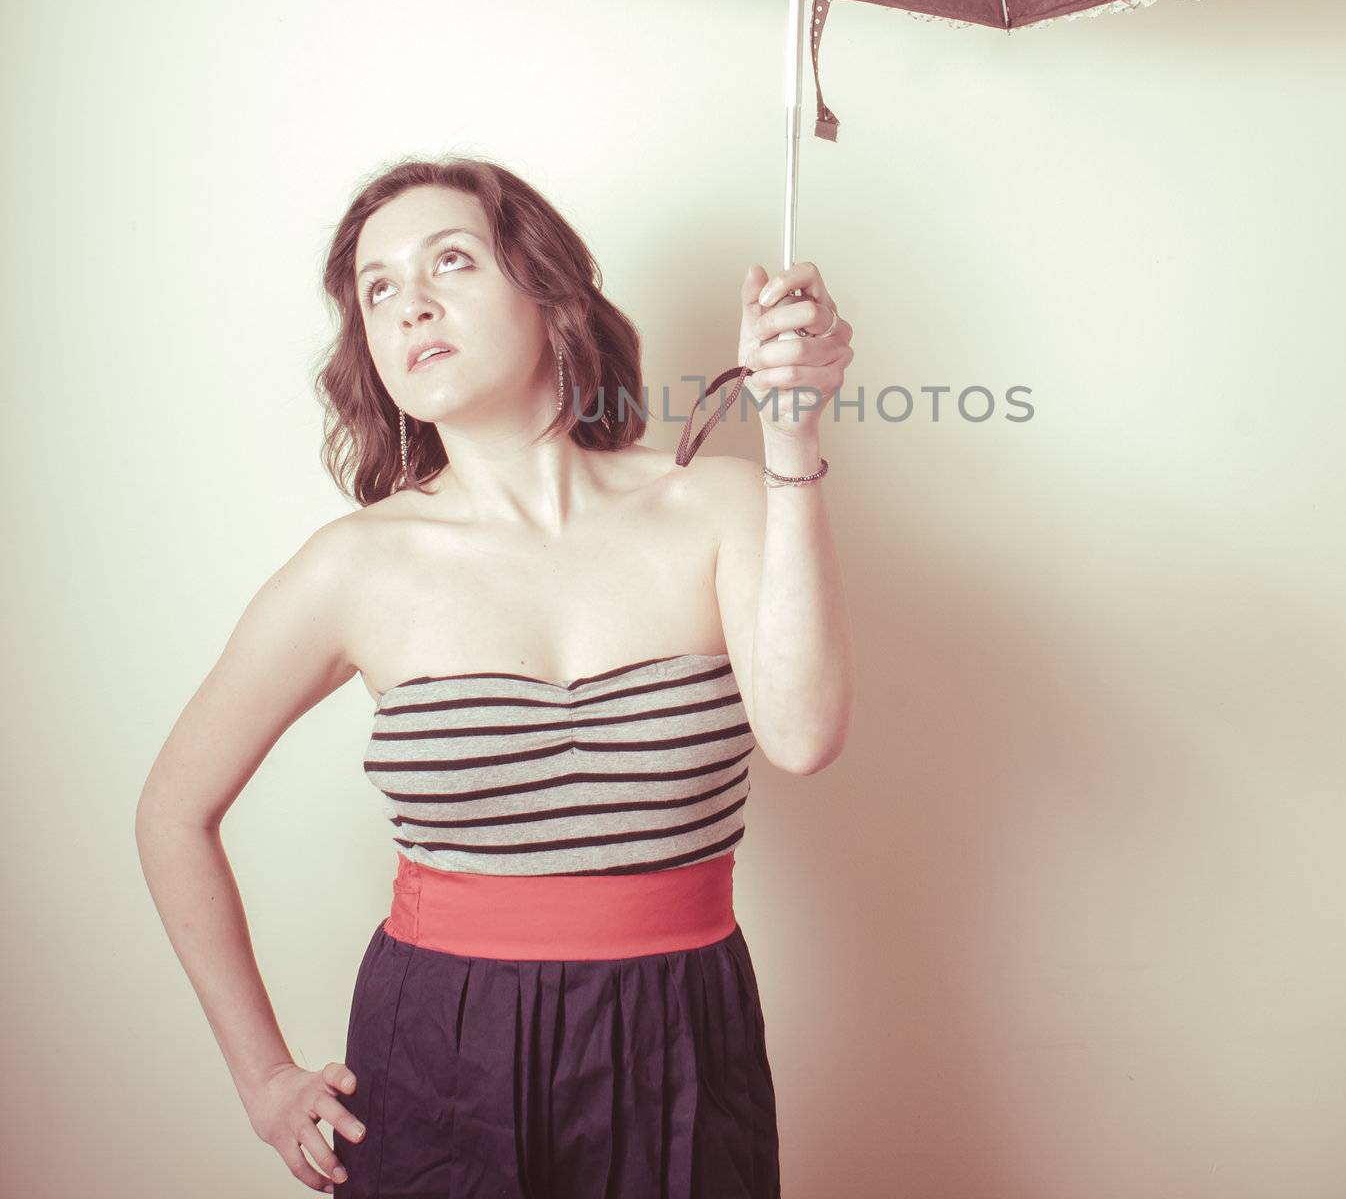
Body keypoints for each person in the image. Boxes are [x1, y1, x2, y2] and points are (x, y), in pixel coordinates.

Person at [133, 155, 856, 1196]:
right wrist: (263, 1079)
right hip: (439, 1046)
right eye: (377, 289)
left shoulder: (721, 502)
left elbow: (803, 735)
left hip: (683, 1037)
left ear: (547, 287)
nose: (410, 304)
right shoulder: (354, 566)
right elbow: (171, 811)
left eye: (452, 261)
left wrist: (792, 432)